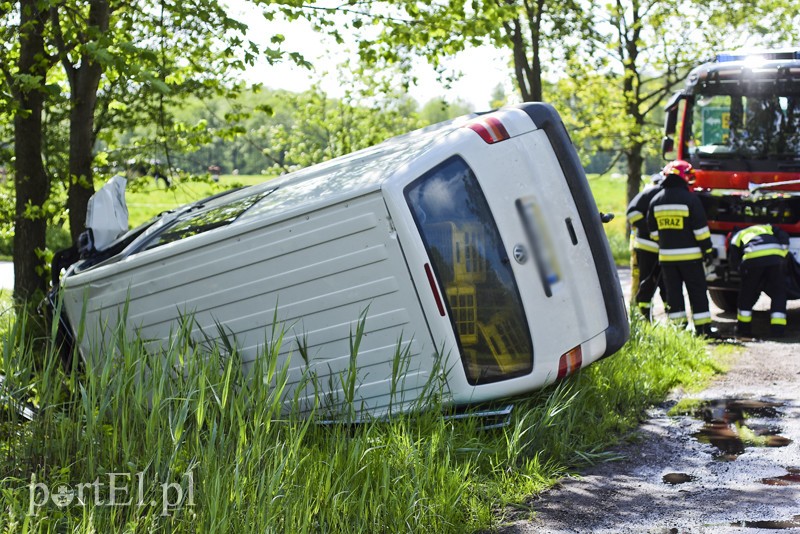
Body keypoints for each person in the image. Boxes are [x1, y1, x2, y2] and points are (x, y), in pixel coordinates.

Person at [647, 160, 715, 335]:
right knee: (697, 292)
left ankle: (679, 331)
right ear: (683, 177)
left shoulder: (655, 201)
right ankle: (703, 330)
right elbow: (700, 231)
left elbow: (653, 233)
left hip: (667, 260)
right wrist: (707, 250)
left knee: (674, 295)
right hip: (691, 259)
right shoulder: (690, 199)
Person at [728, 224, 790, 337]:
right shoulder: (767, 227)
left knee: (746, 293)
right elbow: (784, 236)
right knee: (778, 293)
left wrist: (740, 270)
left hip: (753, 258)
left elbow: (734, 256)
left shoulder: (738, 234)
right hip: (776, 257)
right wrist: (782, 256)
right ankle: (778, 330)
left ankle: (744, 329)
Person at [626, 173, 665, 320]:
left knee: (661, 284)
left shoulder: (654, 194)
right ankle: (641, 315)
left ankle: (644, 315)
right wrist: (650, 229)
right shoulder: (650, 194)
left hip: (658, 247)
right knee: (645, 282)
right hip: (647, 246)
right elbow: (632, 214)